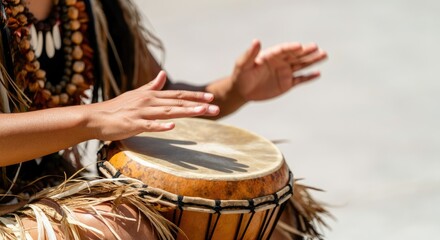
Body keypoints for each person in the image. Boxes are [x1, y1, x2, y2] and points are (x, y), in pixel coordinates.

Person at [0, 0, 328, 239]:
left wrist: (234, 89)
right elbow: (107, 114)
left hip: (48, 188)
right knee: (122, 229)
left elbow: (157, 95)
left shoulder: (88, 7)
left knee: (270, 210)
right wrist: (93, 118)